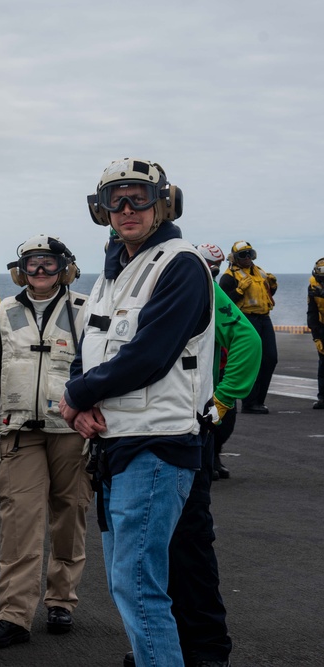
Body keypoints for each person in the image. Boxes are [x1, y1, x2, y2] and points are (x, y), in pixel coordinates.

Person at [60, 158, 214, 667]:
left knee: (139, 587)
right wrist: (77, 405)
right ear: (100, 210)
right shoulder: (113, 272)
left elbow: (149, 355)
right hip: (114, 443)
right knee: (130, 584)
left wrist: (76, 396)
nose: (126, 209)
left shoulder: (180, 263)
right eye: (115, 200)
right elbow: (91, 350)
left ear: (162, 203)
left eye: (138, 198)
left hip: (156, 444)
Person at [126, 249, 261, 667]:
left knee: (187, 541)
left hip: (183, 430)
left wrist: (220, 402)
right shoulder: (121, 280)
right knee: (148, 548)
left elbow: (247, 340)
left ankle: (205, 648)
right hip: (137, 433)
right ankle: (162, 644)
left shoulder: (185, 276)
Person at [0, 234, 92, 649]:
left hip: (71, 431)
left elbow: (98, 368)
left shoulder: (84, 310)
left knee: (69, 514)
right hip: (19, 431)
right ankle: (14, 615)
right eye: (32, 264)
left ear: (64, 267)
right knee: (19, 521)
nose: (39, 271)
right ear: (19, 270)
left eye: (47, 263)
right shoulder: (5, 312)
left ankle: (61, 600)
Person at [219, 241, 278, 414]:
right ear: (235, 258)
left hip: (264, 318)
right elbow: (223, 302)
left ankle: (260, 400)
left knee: (270, 358)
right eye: (242, 255)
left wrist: (273, 286)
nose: (247, 258)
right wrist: (238, 291)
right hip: (246, 319)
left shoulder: (259, 272)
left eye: (249, 254)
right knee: (254, 360)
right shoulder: (229, 276)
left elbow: (266, 294)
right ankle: (249, 402)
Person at [196, 243, 235, 479]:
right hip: (199, 371)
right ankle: (207, 460)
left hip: (219, 366)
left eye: (217, 266)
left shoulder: (217, 289)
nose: (214, 270)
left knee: (225, 421)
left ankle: (215, 456)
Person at [307, 257, 324, 410]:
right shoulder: (313, 285)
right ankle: (323, 398)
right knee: (323, 363)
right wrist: (316, 336)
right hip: (323, 326)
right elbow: (312, 312)